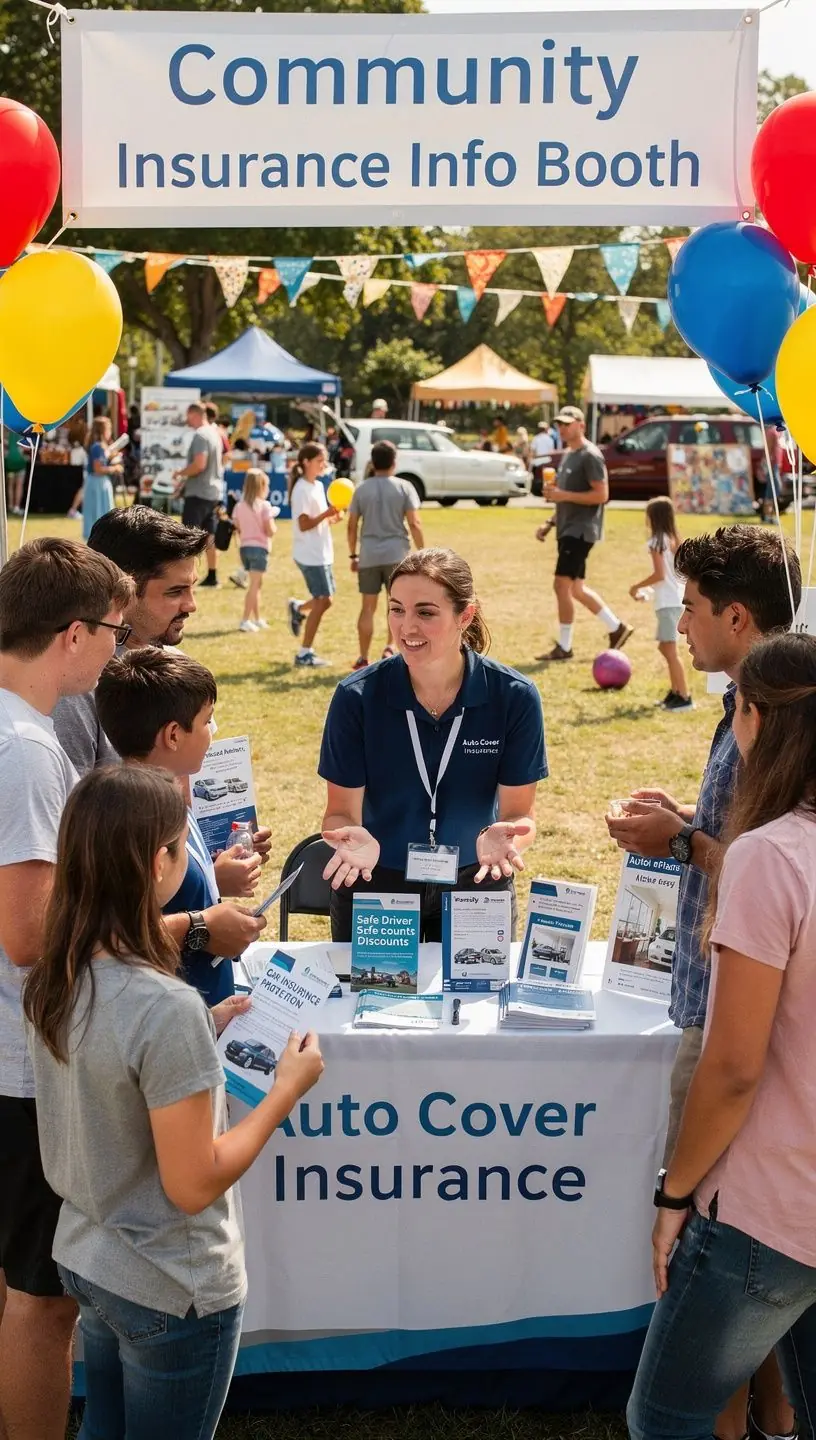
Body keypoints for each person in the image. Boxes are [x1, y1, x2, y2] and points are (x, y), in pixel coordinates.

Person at [23, 764, 324, 1440]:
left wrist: (203, 1029)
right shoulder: (164, 1007)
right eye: (179, 847)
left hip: (89, 1256)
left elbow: (111, 1074)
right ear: (157, 863)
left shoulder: (58, 975)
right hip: (171, 1282)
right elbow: (194, 1183)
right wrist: (285, 1092)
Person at [606, 525, 800, 1440]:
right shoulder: (756, 710)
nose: (678, 622)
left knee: (711, 1297)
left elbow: (763, 868)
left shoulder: (776, 725)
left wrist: (681, 843)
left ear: (736, 615)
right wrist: (688, 823)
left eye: (689, 607)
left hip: (739, 1049)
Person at [0, 537, 132, 1440]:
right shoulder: (29, 750)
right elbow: (28, 933)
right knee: (41, 1305)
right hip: (20, 1068)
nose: (120, 652)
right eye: (117, 632)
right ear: (75, 633)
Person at [318, 547, 547, 941]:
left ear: (465, 616)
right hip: (376, 880)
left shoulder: (514, 696)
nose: (407, 627)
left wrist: (509, 841)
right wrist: (348, 838)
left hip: (476, 878)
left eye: (425, 612)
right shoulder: (356, 697)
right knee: (374, 1001)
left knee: (477, 1003)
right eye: (396, 610)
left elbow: (520, 815)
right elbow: (339, 813)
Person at [95, 648, 267, 1007]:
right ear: (173, 735)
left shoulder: (172, 797)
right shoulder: (134, 819)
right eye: (207, 722)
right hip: (166, 1023)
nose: (210, 733)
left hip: (202, 1014)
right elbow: (107, 941)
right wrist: (201, 926)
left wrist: (214, 879)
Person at [52, 505, 210, 775]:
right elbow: (69, 808)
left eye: (192, 587)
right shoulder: (77, 686)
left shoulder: (174, 665)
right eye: (176, 591)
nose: (191, 605)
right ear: (124, 590)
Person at [535, 405, 632, 661]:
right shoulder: (569, 453)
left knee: (561, 585)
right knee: (576, 589)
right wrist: (550, 522)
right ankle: (616, 627)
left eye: (567, 423)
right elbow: (564, 497)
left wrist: (563, 495)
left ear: (581, 425)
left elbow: (602, 495)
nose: (562, 428)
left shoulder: (590, 455)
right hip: (567, 528)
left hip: (580, 531)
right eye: (559, 424)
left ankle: (565, 647)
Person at [347, 439, 424, 671]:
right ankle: (391, 647)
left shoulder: (361, 489)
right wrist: (422, 553)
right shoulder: (404, 487)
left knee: (367, 607)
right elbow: (414, 522)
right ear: (394, 461)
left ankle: (362, 657)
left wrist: (353, 555)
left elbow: (351, 526)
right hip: (397, 555)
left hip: (369, 555)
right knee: (398, 608)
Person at [628, 496, 692, 711]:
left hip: (668, 604)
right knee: (665, 647)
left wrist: (636, 586)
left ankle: (684, 697)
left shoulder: (656, 542)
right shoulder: (673, 539)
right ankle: (675, 693)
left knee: (670, 651)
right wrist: (647, 591)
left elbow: (659, 574)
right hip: (675, 600)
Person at [287, 442, 340, 669]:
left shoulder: (317, 486)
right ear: (306, 462)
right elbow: (304, 523)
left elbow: (316, 519)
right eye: (320, 460)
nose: (324, 464)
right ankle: (304, 653)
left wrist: (330, 518)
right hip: (310, 554)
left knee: (325, 600)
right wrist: (326, 513)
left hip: (321, 552)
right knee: (323, 600)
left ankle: (298, 608)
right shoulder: (301, 489)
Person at [172, 402, 224, 588]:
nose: (187, 420)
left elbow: (199, 465)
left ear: (194, 414)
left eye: (188, 416)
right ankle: (212, 575)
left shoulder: (201, 435)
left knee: (188, 536)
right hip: (212, 492)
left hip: (199, 492)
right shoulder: (214, 434)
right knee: (209, 536)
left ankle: (185, 577)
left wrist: (180, 473)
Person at [230, 468, 277, 633]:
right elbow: (270, 530)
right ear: (262, 486)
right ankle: (245, 620)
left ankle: (257, 619)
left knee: (256, 584)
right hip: (260, 549)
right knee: (254, 586)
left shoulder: (239, 506)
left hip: (245, 548)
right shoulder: (264, 506)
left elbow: (237, 527)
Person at [81, 416, 122, 540]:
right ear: (103, 431)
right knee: (97, 513)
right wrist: (114, 469)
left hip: (99, 483)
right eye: (108, 429)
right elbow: (98, 469)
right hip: (96, 483)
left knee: (101, 513)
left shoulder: (101, 447)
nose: (110, 432)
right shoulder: (97, 447)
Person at [529, 419, 556, 490]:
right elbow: (552, 452)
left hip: (538, 462)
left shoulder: (536, 438)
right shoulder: (550, 439)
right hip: (548, 462)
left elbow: (532, 452)